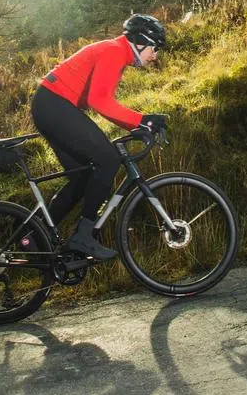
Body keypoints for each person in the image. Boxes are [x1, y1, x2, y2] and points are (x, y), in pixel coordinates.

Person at [30, 13, 168, 261]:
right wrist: (141, 120)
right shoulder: (114, 51)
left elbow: (101, 100)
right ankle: (83, 236)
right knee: (108, 159)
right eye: (154, 48)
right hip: (54, 104)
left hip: (50, 105)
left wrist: (136, 124)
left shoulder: (116, 51)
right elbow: (98, 100)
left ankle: (32, 238)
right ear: (140, 42)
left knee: (82, 176)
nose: (155, 56)